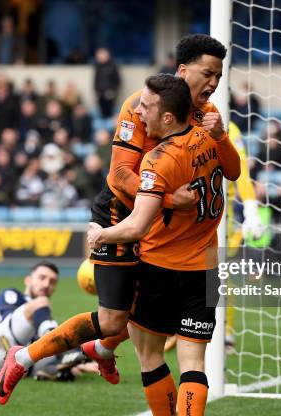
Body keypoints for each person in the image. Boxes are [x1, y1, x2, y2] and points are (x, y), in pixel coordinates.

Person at [0, 34, 234, 406]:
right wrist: (168, 200)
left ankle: (102, 352)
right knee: (114, 321)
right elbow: (120, 176)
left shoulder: (207, 117)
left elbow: (228, 169)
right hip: (122, 213)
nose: (215, 83)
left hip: (165, 234)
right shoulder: (140, 106)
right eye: (208, 73)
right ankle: (25, 356)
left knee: (135, 327)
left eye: (219, 74)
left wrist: (221, 140)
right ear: (183, 71)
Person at [85, 75, 240, 415]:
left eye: (145, 107)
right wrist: (222, 135)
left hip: (163, 266)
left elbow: (138, 225)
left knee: (150, 356)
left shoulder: (157, 160)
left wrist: (102, 235)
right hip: (207, 265)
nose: (138, 112)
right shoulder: (208, 136)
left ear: (167, 117)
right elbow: (235, 170)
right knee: (193, 363)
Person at [0, 261, 97, 381]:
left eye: (52, 282)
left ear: (54, 290)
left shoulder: (42, 318)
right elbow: (11, 321)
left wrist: (80, 363)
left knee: (67, 348)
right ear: (28, 280)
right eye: (42, 278)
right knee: (42, 307)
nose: (46, 284)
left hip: (16, 364)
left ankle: (54, 369)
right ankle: (60, 354)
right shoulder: (12, 295)